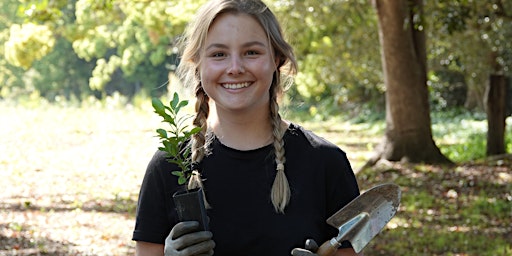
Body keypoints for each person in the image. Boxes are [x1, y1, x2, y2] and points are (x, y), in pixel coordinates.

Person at [132, 0, 362, 255]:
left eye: (251, 52)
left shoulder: (327, 164)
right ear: (198, 62)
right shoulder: (170, 164)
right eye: (218, 54)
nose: (235, 68)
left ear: (276, 59)